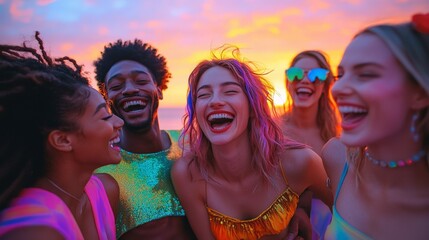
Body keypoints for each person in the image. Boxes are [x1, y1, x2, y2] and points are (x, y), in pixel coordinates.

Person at [171, 46, 333, 240]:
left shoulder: (299, 161)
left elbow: (352, 219)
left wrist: (300, 210)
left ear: (253, 106)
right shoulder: (187, 173)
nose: (215, 101)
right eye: (204, 95)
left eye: (230, 91)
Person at [0, 31, 124, 239]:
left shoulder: (104, 190)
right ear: (63, 140)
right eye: (104, 117)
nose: (119, 122)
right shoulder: (32, 231)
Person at [322, 13, 429, 239]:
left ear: (419, 93)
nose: (337, 89)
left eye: (366, 74)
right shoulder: (335, 158)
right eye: (340, 75)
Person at [93, 39, 196, 239]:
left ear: (159, 89)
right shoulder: (103, 170)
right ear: (107, 98)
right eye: (116, 86)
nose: (130, 90)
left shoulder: (191, 143)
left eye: (141, 81)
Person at [281, 50, 340, 239]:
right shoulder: (271, 131)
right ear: (288, 82)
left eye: (316, 75)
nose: (305, 80)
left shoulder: (337, 135)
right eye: (296, 74)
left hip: (331, 226)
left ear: (325, 86)